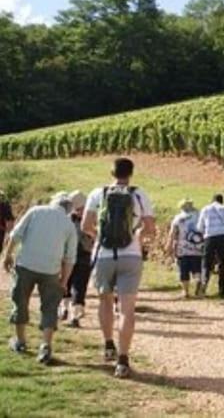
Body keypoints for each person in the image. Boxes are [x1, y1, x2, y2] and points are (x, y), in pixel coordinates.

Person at [82, 156, 157, 379]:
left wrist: (99, 238)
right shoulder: (139, 194)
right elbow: (150, 228)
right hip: (131, 255)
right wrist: (137, 237)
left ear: (111, 173)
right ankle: (123, 360)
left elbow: (86, 225)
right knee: (127, 309)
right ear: (131, 173)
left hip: (104, 255)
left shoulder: (98, 193)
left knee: (105, 301)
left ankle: (108, 345)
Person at [3, 192, 78, 364]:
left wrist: (7, 256)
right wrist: (64, 281)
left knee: (20, 302)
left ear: (53, 202)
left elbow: (15, 235)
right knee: (50, 307)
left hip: (26, 265)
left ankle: (20, 341)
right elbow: (70, 258)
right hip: (51, 270)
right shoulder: (69, 224)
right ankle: (45, 345)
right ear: (68, 209)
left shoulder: (35, 211)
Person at [59, 191, 94, 328]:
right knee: (66, 283)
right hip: (72, 256)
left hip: (81, 256)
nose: (80, 211)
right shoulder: (89, 219)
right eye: (78, 209)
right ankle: (65, 310)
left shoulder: (68, 219)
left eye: (82, 208)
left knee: (78, 286)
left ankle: (74, 315)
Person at [197, 193, 224, 298]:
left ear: (212, 200)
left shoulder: (205, 209)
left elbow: (200, 227)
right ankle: (222, 290)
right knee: (222, 263)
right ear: (221, 201)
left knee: (206, 262)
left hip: (209, 238)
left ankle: (203, 287)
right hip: (222, 238)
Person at [166, 199, 204, 298]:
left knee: (184, 270)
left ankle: (185, 291)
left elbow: (172, 233)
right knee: (197, 269)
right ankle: (198, 288)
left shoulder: (178, 218)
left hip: (183, 249)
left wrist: (169, 246)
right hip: (197, 248)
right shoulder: (200, 215)